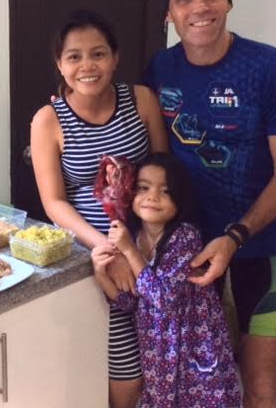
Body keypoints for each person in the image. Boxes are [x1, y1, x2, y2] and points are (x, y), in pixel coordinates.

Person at [143, 0, 276, 408]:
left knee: (261, 384)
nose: (200, 6)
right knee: (195, 384)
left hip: (260, 246)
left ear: (228, 0)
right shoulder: (160, 69)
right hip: (189, 249)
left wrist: (235, 236)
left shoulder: (271, 68)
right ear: (169, 14)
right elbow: (147, 147)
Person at [30, 9, 168, 408]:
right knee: (127, 374)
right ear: (60, 64)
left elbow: (164, 173)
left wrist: (144, 247)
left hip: (151, 247)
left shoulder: (141, 100)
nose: (87, 66)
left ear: (115, 57)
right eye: (74, 56)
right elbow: (54, 201)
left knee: (159, 358)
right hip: (95, 256)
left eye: (98, 53)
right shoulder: (48, 121)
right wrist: (106, 249)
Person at [92, 152, 241, 407]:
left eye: (166, 190)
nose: (153, 196)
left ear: (180, 199)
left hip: (193, 346)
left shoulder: (185, 238)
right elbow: (132, 302)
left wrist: (129, 251)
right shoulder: (134, 236)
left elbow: (163, 298)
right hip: (158, 350)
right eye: (144, 188)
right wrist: (100, 273)